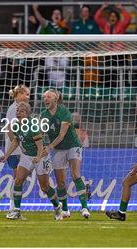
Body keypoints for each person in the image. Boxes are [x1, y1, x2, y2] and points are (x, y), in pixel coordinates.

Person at [1, 102, 63, 220]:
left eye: (22, 111)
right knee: (18, 180)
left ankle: (57, 207)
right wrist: (6, 155)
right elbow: (16, 141)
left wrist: (38, 158)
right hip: (26, 156)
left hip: (41, 157)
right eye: (17, 110)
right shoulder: (15, 125)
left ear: (27, 113)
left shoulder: (33, 126)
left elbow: (40, 146)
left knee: (44, 187)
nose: (18, 113)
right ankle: (16, 211)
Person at [40, 89, 90, 219]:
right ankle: (66, 210)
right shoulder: (43, 115)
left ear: (55, 99)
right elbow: (39, 133)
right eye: (44, 96)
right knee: (61, 182)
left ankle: (84, 208)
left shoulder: (64, 112)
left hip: (73, 145)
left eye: (48, 96)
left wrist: (49, 147)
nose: (45, 99)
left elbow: (61, 135)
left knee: (75, 175)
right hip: (58, 149)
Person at [4, 85, 30, 212]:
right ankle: (12, 204)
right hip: (15, 149)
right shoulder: (13, 109)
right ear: (19, 94)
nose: (28, 97)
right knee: (17, 177)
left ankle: (14, 203)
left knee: (21, 177)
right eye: (27, 94)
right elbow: (10, 129)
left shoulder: (22, 108)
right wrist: (17, 144)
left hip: (21, 148)